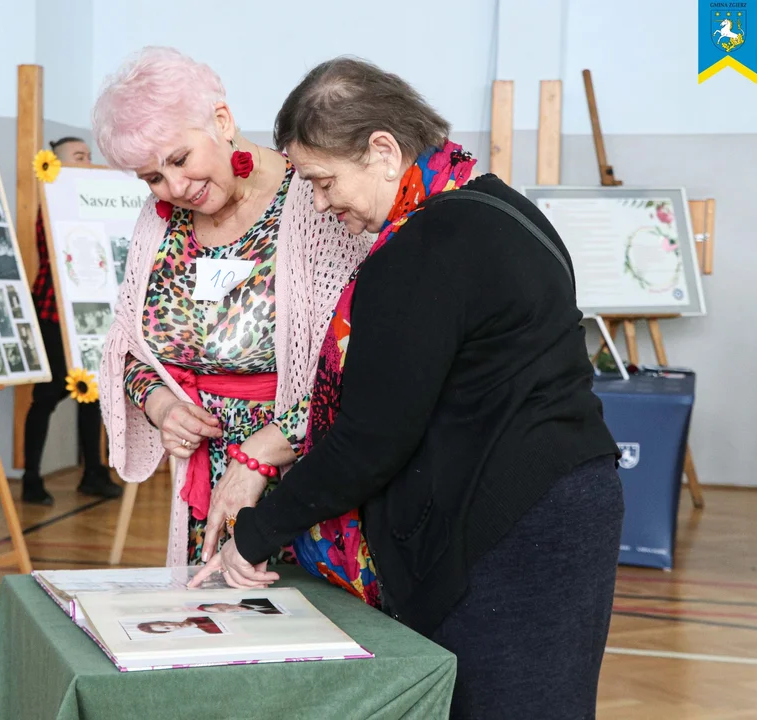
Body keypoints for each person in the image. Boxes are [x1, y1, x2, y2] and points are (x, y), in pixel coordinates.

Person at [192, 57, 624, 718]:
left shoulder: (425, 249)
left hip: (512, 521)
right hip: (568, 497)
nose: (322, 203)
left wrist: (253, 535)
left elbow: (370, 442)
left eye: (323, 180)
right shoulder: (500, 208)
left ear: (384, 150)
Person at [94, 47, 371, 567]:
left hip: (307, 476)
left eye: (179, 160)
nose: (174, 188)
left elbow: (357, 365)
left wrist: (262, 453)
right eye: (152, 178)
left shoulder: (315, 199)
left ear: (222, 120)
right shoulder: (159, 223)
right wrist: (163, 407)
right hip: (209, 482)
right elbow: (130, 349)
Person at [22, 136, 121, 505]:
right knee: (46, 396)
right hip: (52, 312)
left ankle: (93, 471)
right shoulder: (52, 203)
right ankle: (31, 477)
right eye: (79, 157)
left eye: (89, 155)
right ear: (58, 165)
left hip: (90, 313)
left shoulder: (88, 202)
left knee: (91, 394)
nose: (87, 161)